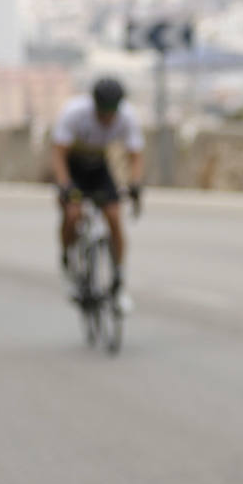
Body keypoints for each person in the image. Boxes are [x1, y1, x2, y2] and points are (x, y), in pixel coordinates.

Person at [51, 77, 144, 311]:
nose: (108, 117)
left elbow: (136, 155)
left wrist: (135, 185)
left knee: (114, 217)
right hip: (73, 167)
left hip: (99, 167)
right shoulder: (75, 113)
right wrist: (65, 185)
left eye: (112, 112)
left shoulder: (127, 117)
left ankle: (119, 283)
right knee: (73, 214)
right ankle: (69, 259)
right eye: (103, 112)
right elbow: (58, 154)